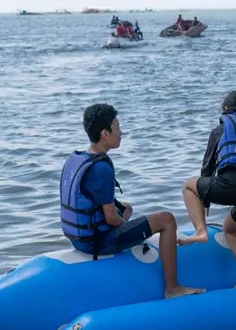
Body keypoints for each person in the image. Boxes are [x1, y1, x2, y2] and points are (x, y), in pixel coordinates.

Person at [59, 103, 205, 298]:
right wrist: (138, 234)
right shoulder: (101, 169)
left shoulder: (79, 159)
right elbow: (111, 218)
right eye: (117, 128)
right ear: (105, 133)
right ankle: (172, 288)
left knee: (127, 208)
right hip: (96, 242)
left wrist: (126, 222)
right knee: (167, 219)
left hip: (78, 238)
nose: (121, 133)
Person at [177, 91, 236, 288]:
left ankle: (200, 231)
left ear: (224, 111)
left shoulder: (219, 131)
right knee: (230, 228)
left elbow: (206, 171)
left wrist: (206, 202)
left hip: (230, 187)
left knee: (189, 185)